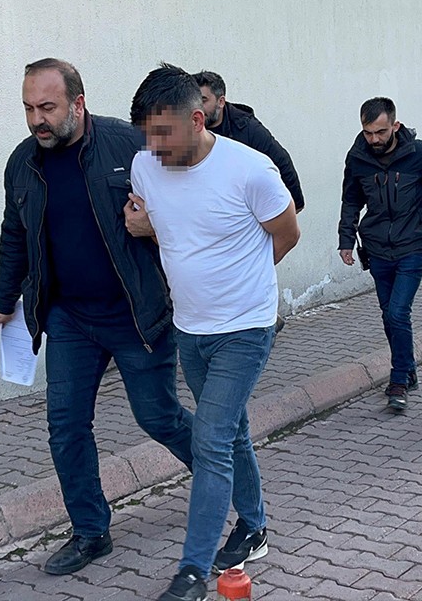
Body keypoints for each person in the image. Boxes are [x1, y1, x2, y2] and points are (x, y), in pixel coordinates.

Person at [0, 58, 195, 577]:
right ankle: (90, 531)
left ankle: (224, 480)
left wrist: (155, 226)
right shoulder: (23, 163)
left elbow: (188, 201)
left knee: (159, 418)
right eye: (28, 108)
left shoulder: (128, 144)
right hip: (69, 319)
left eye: (47, 107)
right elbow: (15, 233)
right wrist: (3, 297)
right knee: (65, 427)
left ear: (78, 104)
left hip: (134, 313)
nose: (36, 120)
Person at [126, 64, 300, 601]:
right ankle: (254, 524)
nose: (154, 148)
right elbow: (172, 227)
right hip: (189, 328)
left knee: (211, 437)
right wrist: (148, 227)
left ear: (198, 120)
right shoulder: (144, 166)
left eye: (164, 135)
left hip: (245, 328)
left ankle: (193, 573)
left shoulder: (251, 170)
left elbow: (287, 233)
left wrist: (244, 284)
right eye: (147, 137)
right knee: (232, 430)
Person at [337, 97, 422, 412]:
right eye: (368, 133)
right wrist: (346, 240)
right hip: (377, 247)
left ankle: (398, 380)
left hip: (413, 244)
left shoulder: (419, 154)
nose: (374, 139)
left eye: (380, 132)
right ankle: (409, 369)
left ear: (395, 125)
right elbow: (351, 200)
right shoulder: (357, 158)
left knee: (397, 313)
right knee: (388, 314)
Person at [193, 71, 304, 335]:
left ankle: (262, 318)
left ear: (221, 101)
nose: (198, 107)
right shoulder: (195, 129)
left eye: (204, 100)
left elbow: (282, 162)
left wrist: (291, 207)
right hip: (216, 210)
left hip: (251, 210)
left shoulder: (247, 129)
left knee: (246, 266)